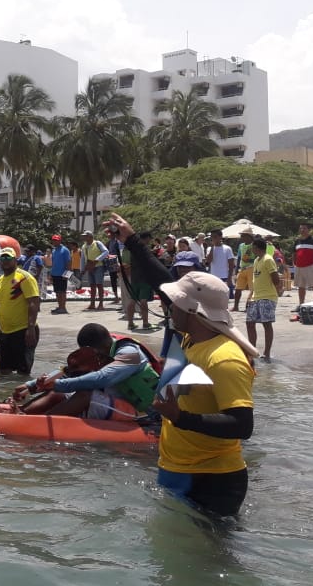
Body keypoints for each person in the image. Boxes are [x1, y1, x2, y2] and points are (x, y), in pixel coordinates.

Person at [106, 212, 256, 517]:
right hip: (176, 467)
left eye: (175, 301)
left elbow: (243, 425)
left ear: (191, 310)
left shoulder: (224, 357)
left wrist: (179, 416)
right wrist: (132, 241)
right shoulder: (191, 338)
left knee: (209, 560)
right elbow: (162, 281)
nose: (168, 303)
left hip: (211, 479)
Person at [14, 323, 160, 419]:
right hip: (112, 401)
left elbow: (102, 378)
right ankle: (21, 414)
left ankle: (39, 424)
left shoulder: (130, 354)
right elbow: (70, 370)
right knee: (57, 392)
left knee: (85, 394)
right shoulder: (100, 350)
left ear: (93, 349)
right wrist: (31, 386)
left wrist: (57, 384)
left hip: (140, 413)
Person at [0, 247, 40, 375]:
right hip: (5, 333)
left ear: (15, 260)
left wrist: (30, 328)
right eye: (2, 258)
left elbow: (33, 303)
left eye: (8, 258)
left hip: (24, 331)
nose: (5, 261)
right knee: (3, 371)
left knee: (22, 373)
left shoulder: (24, 278)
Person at [246, 236, 281, 361]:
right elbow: (255, 280)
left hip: (268, 297)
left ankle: (266, 353)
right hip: (256, 296)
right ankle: (252, 350)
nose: (252, 250)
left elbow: (275, 278)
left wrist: (279, 290)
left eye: (252, 248)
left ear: (257, 248)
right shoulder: (256, 260)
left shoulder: (268, 259)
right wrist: (250, 295)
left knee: (266, 324)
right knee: (249, 323)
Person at [81, 230, 110, 311]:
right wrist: (82, 269)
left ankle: (101, 304)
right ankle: (92, 304)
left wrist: (96, 260)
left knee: (99, 285)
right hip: (90, 268)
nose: (84, 237)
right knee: (92, 286)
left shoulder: (97, 243)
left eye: (85, 236)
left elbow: (106, 252)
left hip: (98, 267)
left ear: (90, 236)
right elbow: (83, 259)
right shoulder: (84, 246)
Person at [293, 221, 313, 308]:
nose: (302, 230)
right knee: (301, 287)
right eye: (301, 228)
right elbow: (294, 253)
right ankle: (301, 305)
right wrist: (294, 263)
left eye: (304, 228)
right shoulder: (297, 241)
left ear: (308, 230)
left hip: (311, 266)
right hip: (299, 267)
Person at [48, 234, 72, 314]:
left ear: (60, 240)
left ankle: (63, 308)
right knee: (57, 292)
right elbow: (53, 263)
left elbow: (68, 263)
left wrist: (67, 274)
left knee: (62, 291)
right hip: (55, 274)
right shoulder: (54, 250)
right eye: (54, 240)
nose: (55, 241)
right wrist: (51, 274)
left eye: (56, 240)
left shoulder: (65, 250)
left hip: (62, 274)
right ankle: (59, 306)